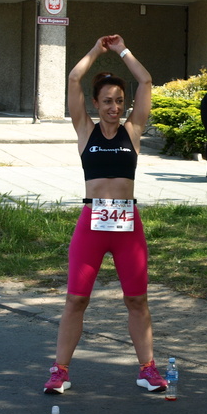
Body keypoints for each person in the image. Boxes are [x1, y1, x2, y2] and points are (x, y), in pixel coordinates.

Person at [43, 35, 167, 395]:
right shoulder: (85, 130)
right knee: (76, 298)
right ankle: (60, 370)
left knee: (137, 299)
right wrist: (97, 51)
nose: (114, 107)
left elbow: (145, 81)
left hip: (127, 224)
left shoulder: (133, 130)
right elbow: (72, 80)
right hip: (93, 222)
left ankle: (147, 368)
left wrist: (123, 50)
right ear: (95, 103)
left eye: (119, 101)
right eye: (107, 101)